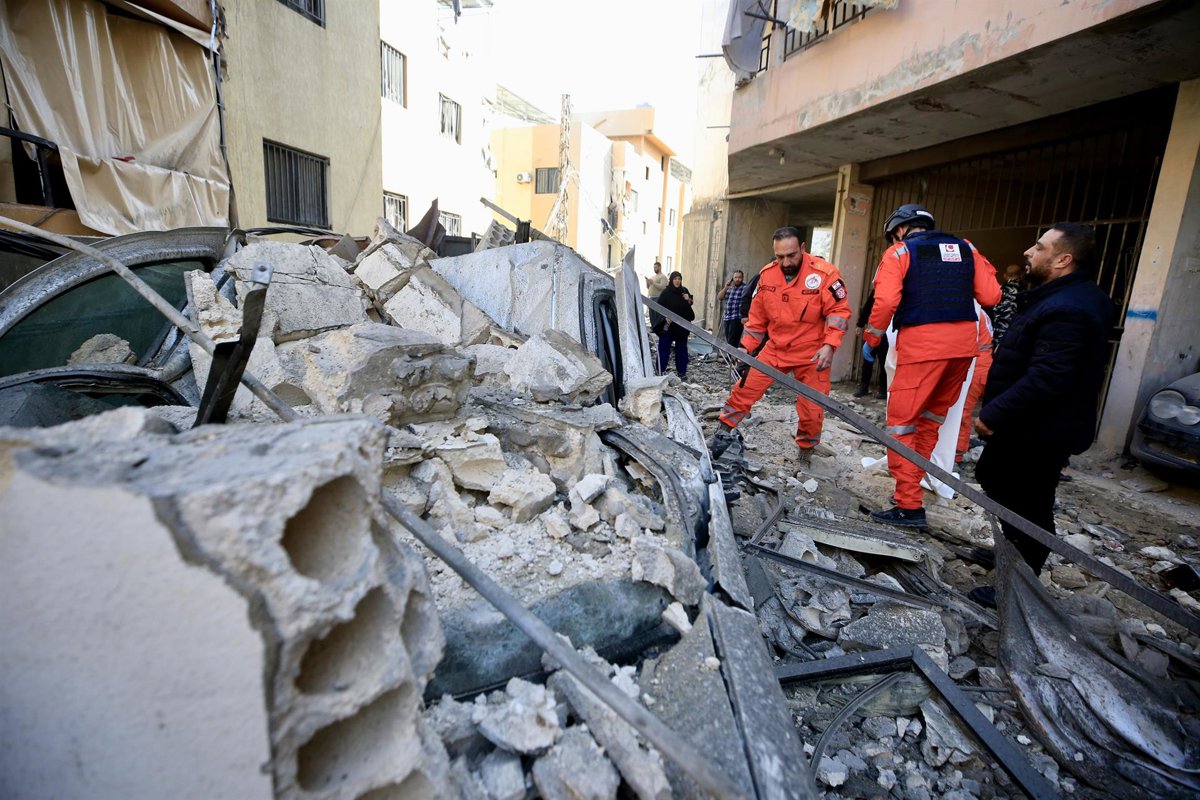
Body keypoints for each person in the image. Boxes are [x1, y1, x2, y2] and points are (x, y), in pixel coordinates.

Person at [969, 223, 1116, 608]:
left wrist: (995, 413)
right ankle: (1013, 551)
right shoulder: (1061, 298)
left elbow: (1049, 376)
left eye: (1039, 247)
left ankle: (1018, 583)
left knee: (1027, 501)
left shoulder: (1068, 308)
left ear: (1063, 259)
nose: (1028, 252)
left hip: (1039, 428)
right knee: (998, 480)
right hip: (1032, 423)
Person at [862, 204, 1001, 528]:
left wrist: (872, 338)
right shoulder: (966, 248)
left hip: (922, 350)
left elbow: (886, 302)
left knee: (901, 426)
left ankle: (909, 505)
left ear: (899, 230)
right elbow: (991, 296)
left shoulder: (900, 252)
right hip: (963, 351)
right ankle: (910, 491)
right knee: (929, 423)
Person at [710, 227, 852, 464]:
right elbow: (757, 319)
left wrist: (830, 345)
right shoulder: (767, 276)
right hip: (776, 349)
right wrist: (745, 347)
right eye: (780, 257)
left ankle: (805, 452)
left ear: (803, 248)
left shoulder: (825, 274)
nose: (785, 262)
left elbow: (839, 311)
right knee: (745, 389)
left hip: (811, 353)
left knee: (812, 408)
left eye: (791, 255)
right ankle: (722, 432)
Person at [653, 271, 695, 378]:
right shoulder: (666, 293)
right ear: (671, 280)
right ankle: (660, 371)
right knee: (664, 349)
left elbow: (690, 304)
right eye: (675, 279)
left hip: (681, 328)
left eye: (679, 279)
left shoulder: (684, 291)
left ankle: (682, 372)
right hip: (668, 327)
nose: (677, 281)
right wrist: (665, 319)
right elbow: (657, 309)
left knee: (681, 350)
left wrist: (688, 299)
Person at [853, 290, 888, 398]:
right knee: (868, 359)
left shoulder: (899, 290)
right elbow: (868, 306)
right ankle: (864, 387)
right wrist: (860, 324)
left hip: (887, 333)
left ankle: (883, 390)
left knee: (884, 362)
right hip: (873, 331)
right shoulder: (878, 289)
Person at [990, 263, 1025, 343]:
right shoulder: (1026, 292)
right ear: (1021, 275)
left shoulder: (997, 290)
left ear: (1005, 276)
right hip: (1016, 336)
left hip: (997, 333)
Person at [717, 270, 747, 347]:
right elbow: (720, 297)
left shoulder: (745, 288)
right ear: (732, 278)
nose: (737, 279)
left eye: (739, 277)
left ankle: (731, 354)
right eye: (735, 277)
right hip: (727, 317)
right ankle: (731, 354)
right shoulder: (730, 288)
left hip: (737, 318)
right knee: (729, 340)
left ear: (742, 278)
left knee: (732, 341)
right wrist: (725, 288)